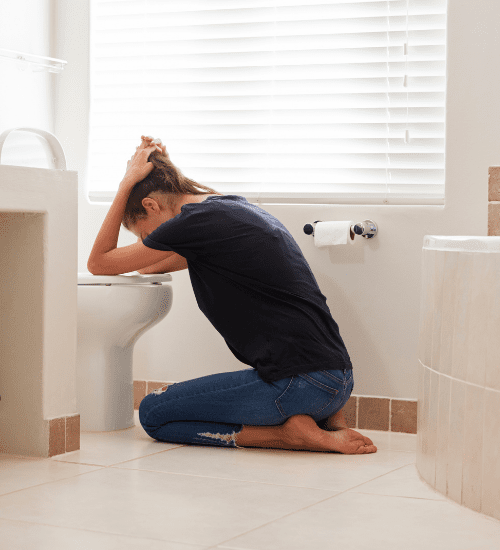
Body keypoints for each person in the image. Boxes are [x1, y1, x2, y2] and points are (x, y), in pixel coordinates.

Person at [88, 136, 377, 455]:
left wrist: (126, 183)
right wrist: (159, 167)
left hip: (298, 384)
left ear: (151, 205)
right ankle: (324, 422)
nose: (150, 240)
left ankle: (286, 435)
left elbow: (99, 263)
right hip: (338, 382)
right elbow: (148, 267)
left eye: (144, 233)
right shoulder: (230, 209)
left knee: (154, 414)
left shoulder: (191, 223)